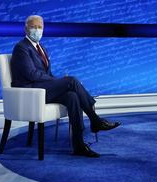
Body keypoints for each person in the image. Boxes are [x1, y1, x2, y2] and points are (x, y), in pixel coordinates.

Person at [10, 15, 120, 158]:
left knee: (72, 96)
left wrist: (55, 81)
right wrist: (57, 81)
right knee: (71, 81)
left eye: (40, 27)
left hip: (43, 89)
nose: (37, 30)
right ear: (26, 28)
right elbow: (31, 74)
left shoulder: (41, 48)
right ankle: (95, 120)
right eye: (33, 27)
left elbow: (45, 73)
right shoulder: (21, 47)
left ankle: (79, 145)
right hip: (31, 92)